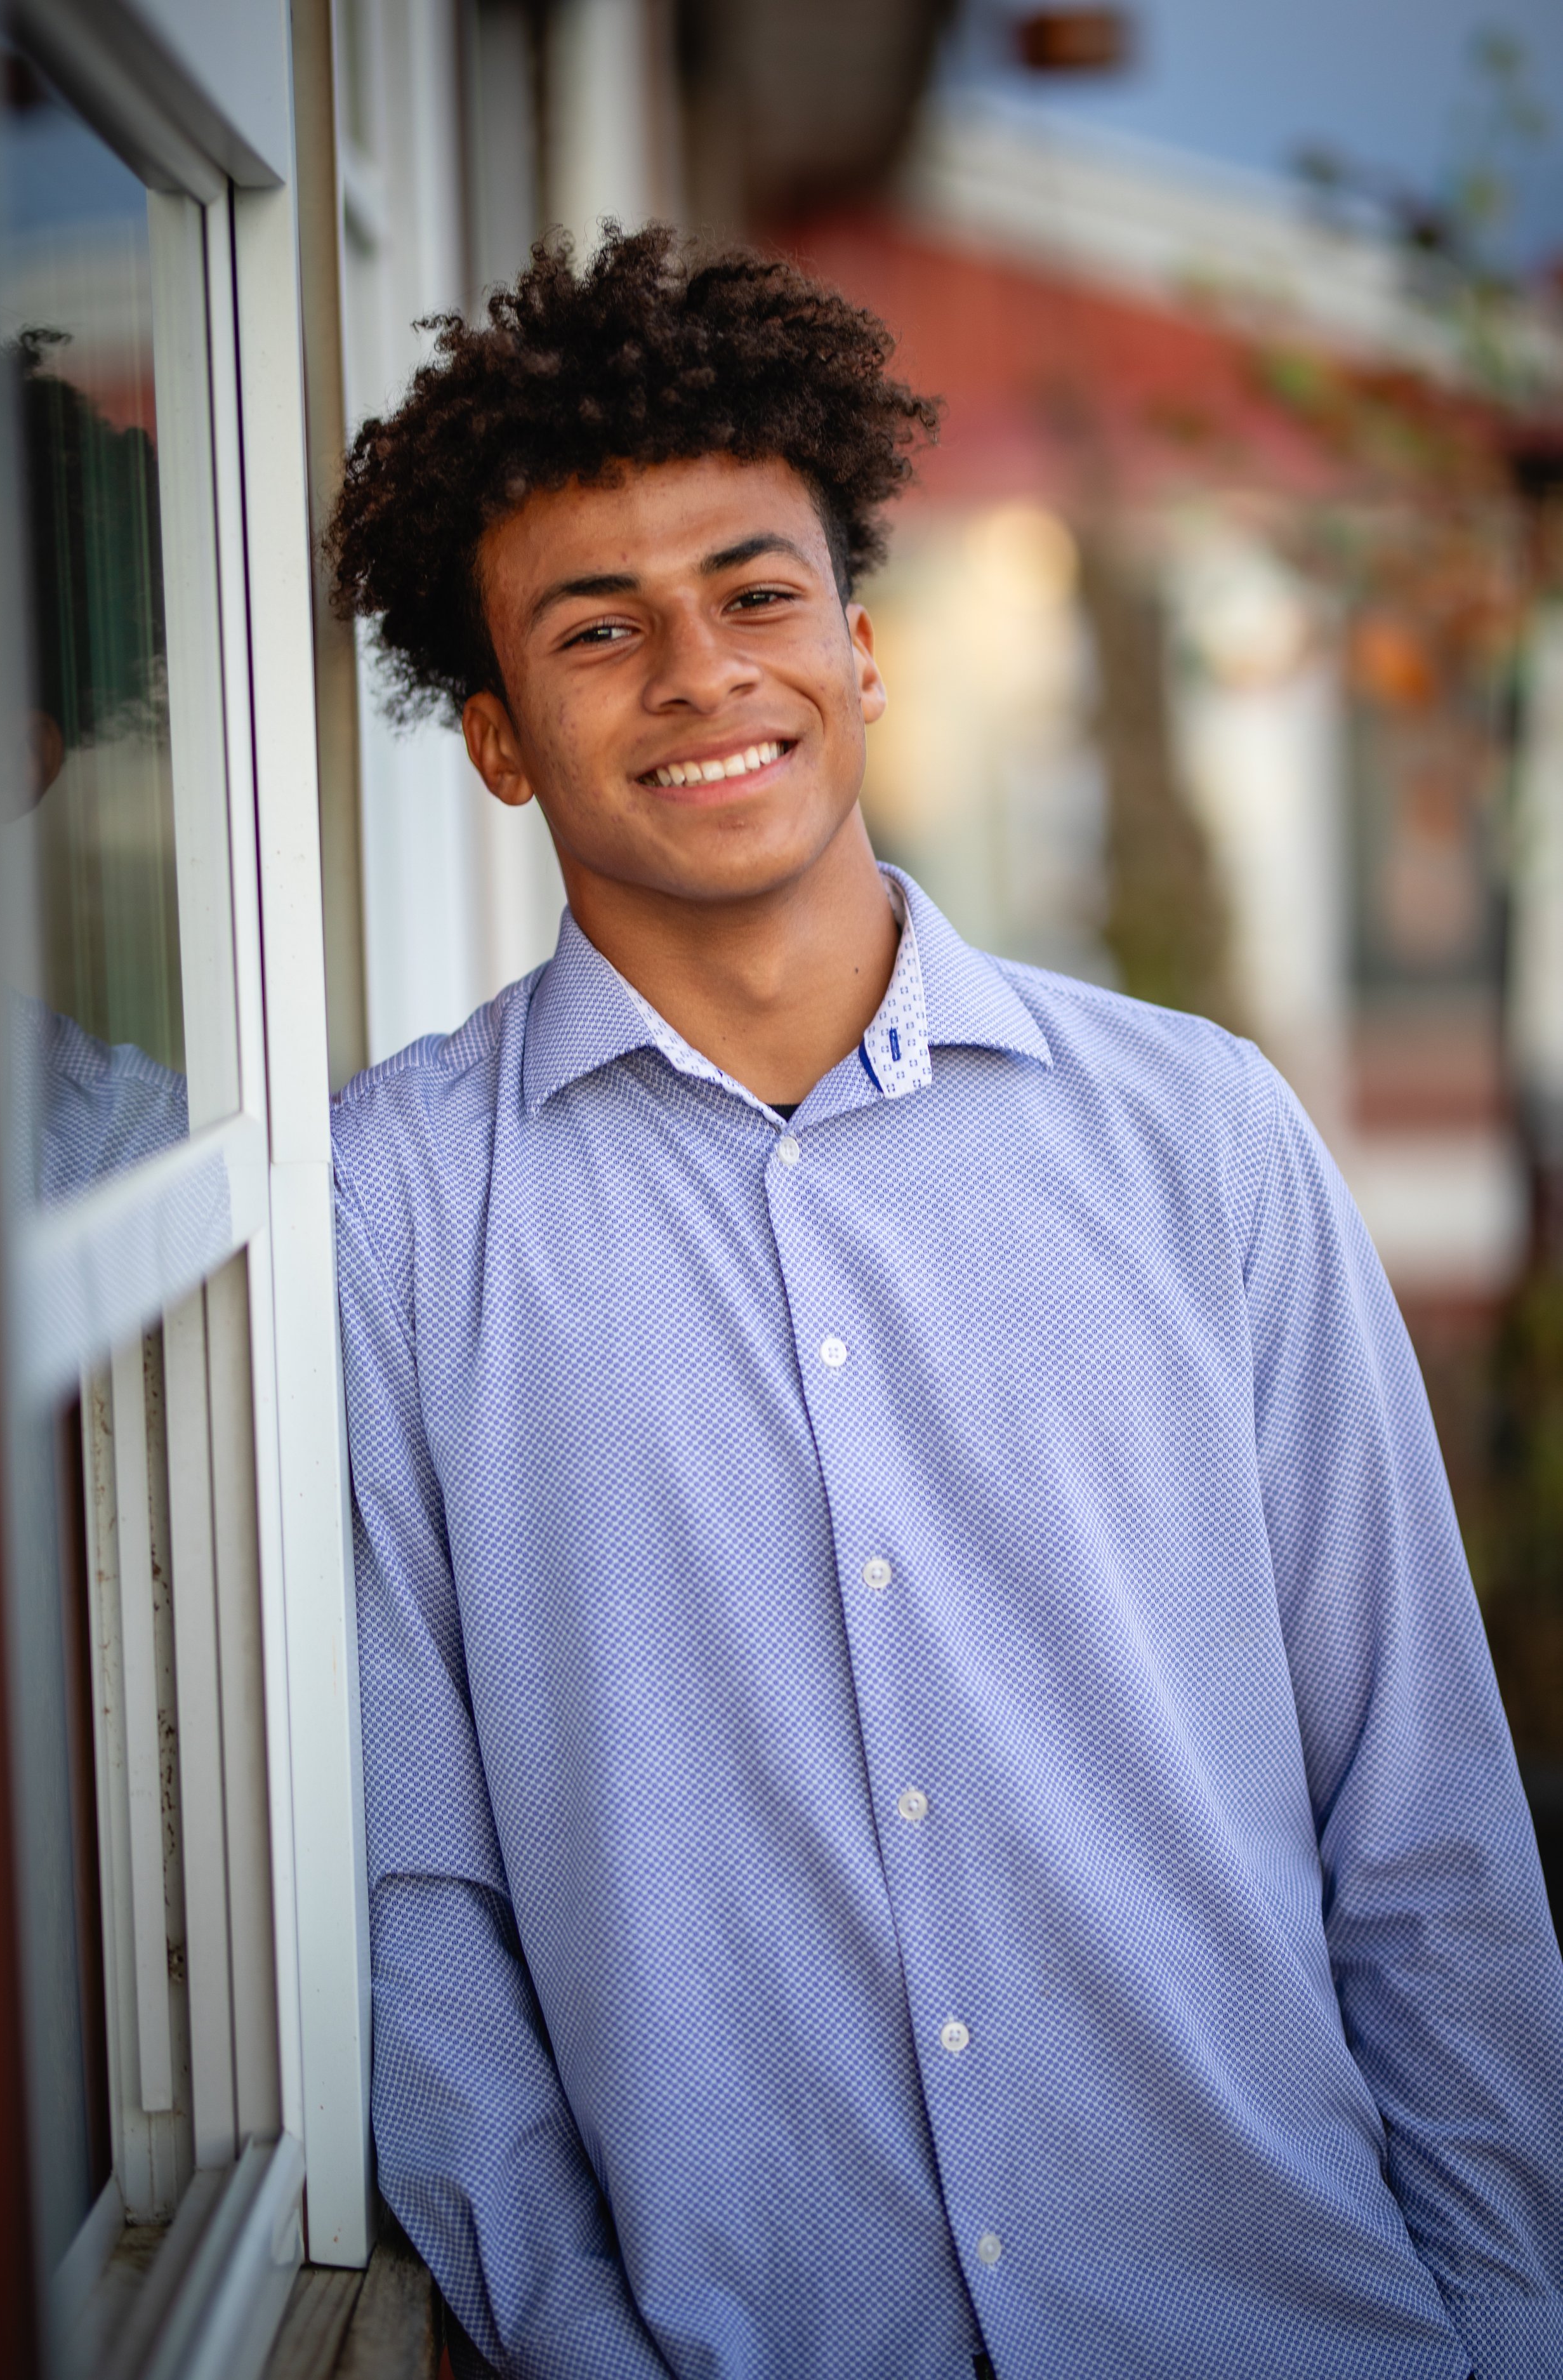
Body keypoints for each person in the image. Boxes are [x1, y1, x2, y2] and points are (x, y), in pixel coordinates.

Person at [326, 227, 1562, 2380]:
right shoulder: (390, 1215)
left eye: (755, 593)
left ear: (861, 650)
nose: (703, 674)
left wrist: (1508, 2322)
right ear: (503, 744)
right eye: (597, 631)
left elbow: (1417, 1804)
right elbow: (411, 1900)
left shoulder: (1202, 1140)